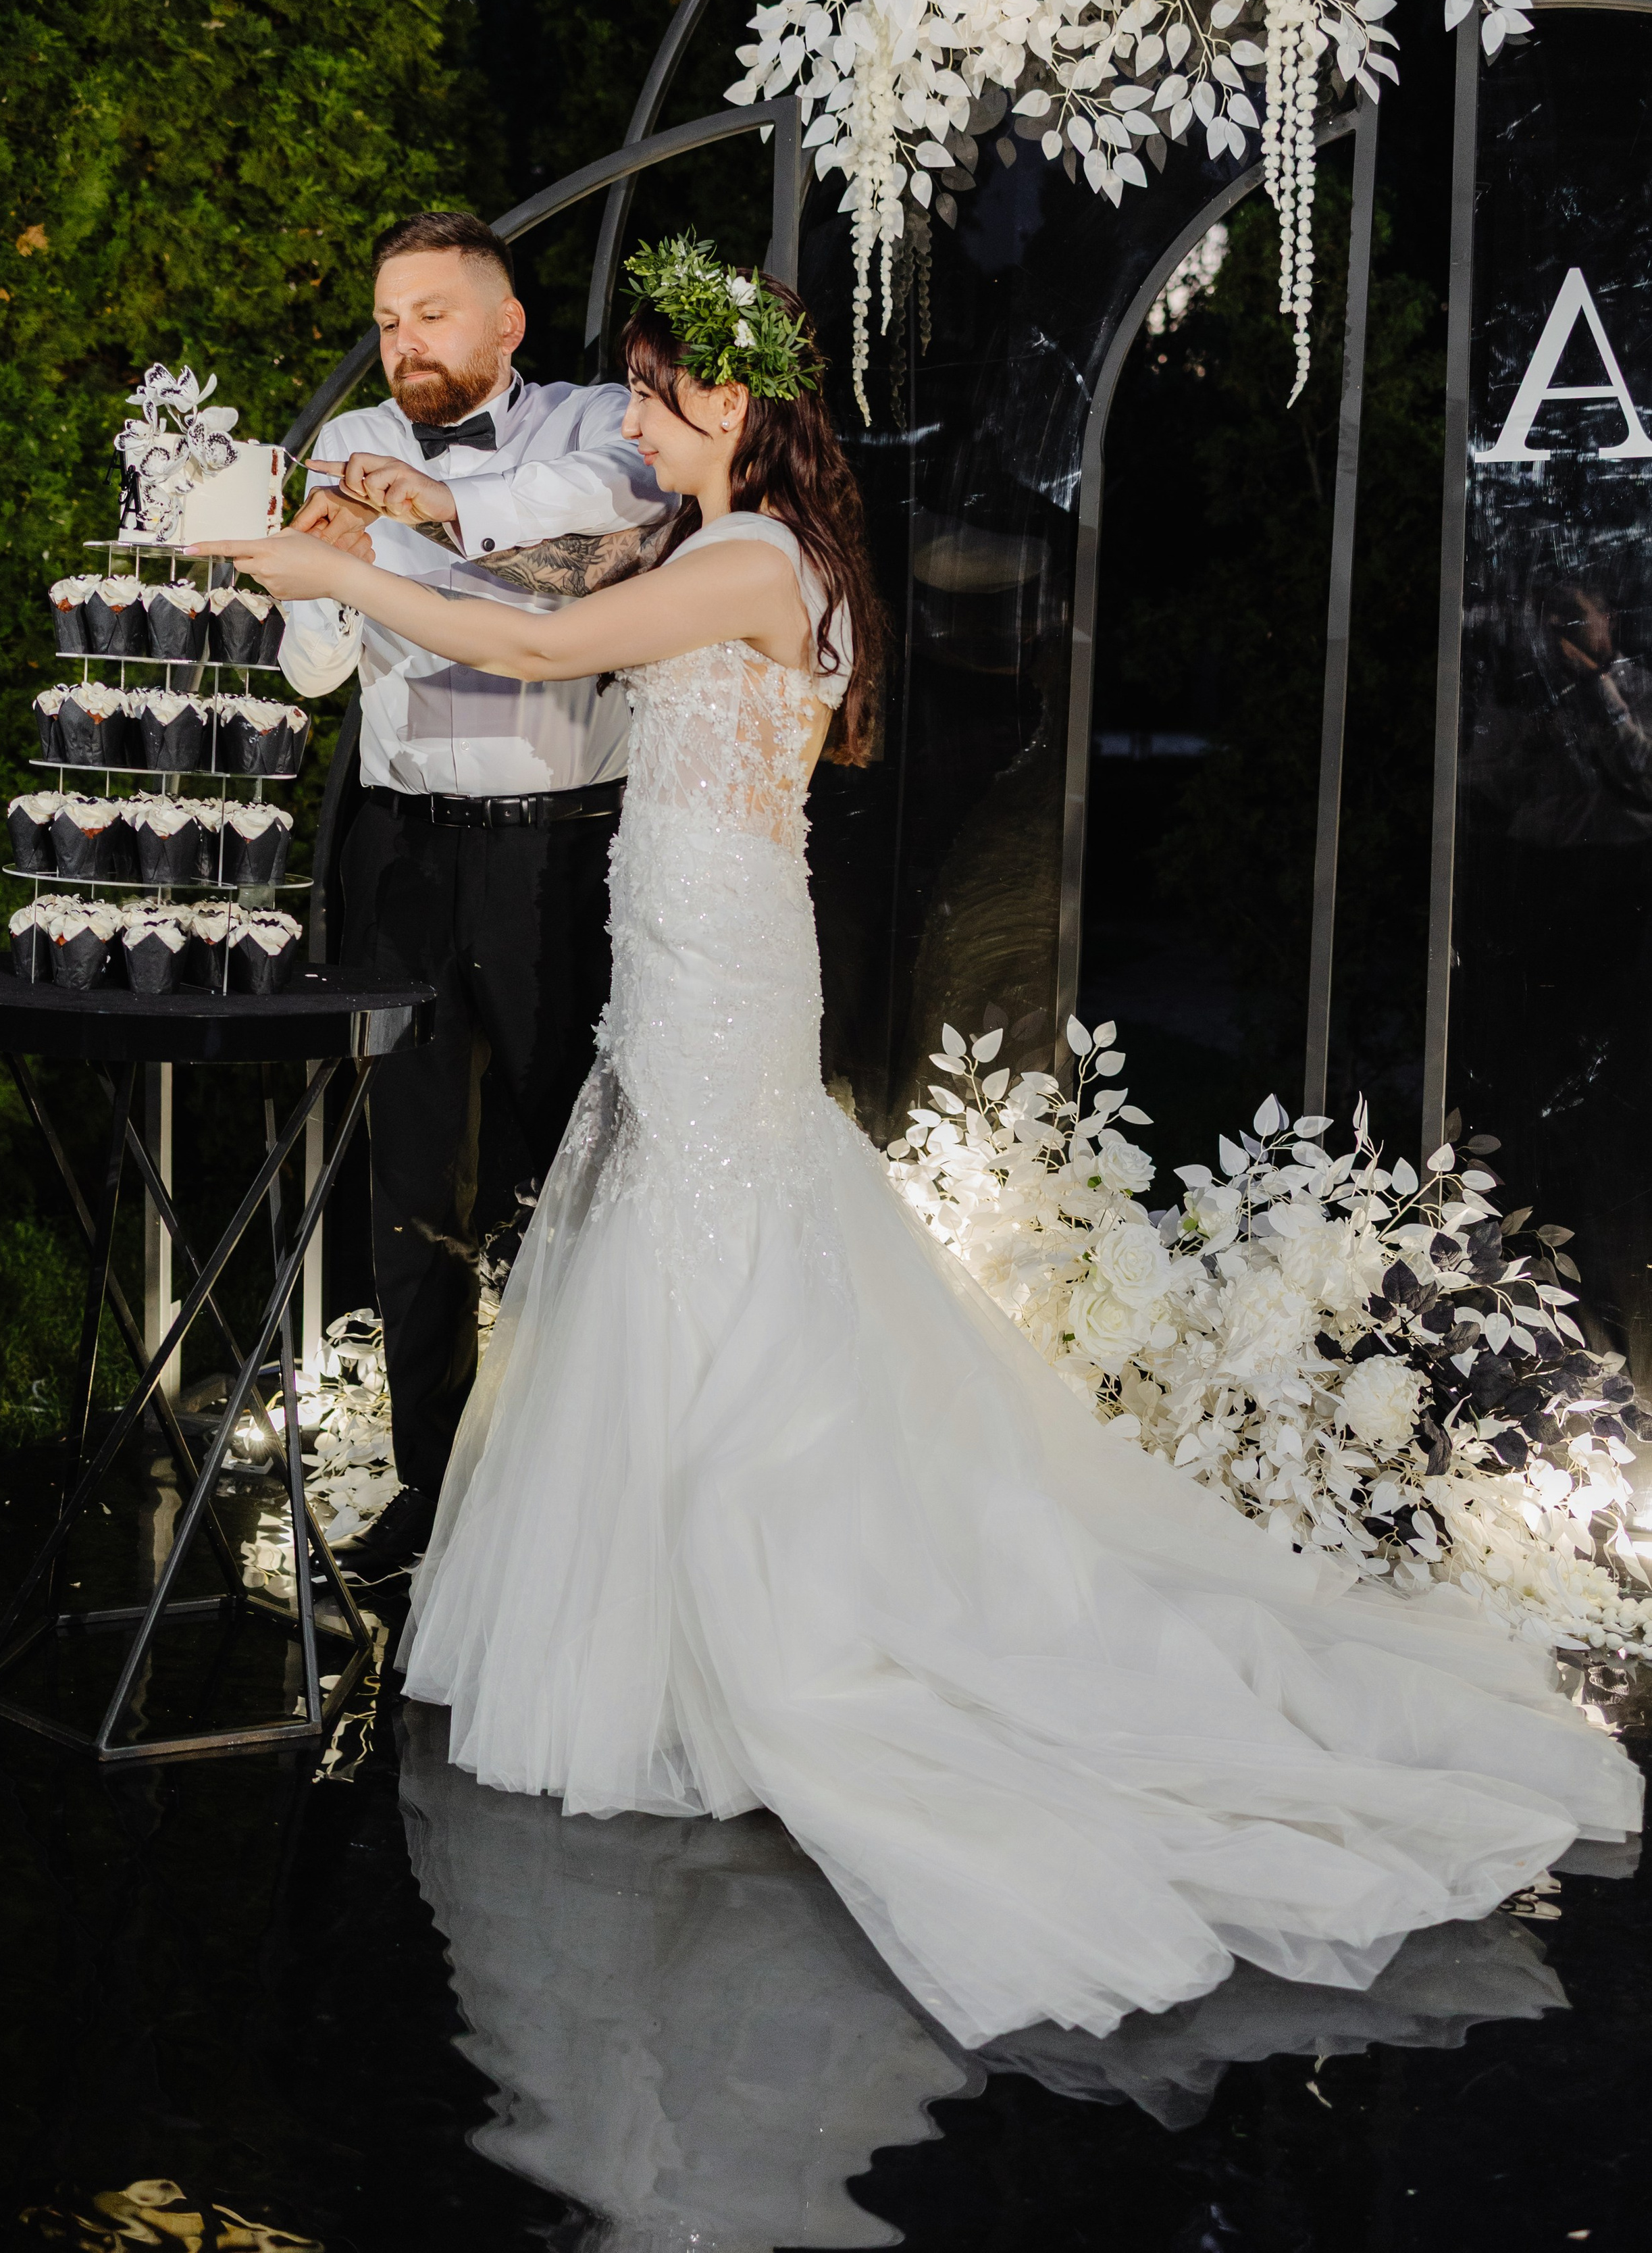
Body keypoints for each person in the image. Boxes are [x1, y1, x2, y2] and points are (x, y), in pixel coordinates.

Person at [197, 234, 1641, 2052]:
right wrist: (409, 516)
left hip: (712, 956)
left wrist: (311, 559)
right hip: (696, 941)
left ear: (722, 403)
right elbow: (541, 561)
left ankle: (755, 1620)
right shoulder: (732, 544)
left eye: (649, 387)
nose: (629, 411)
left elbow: (541, 636)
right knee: (690, 1236)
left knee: (710, 1240)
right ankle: (671, 1591)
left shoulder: (734, 557)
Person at [280, 210, 677, 1584]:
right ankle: (432, 1486)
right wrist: (325, 574)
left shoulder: (592, 423)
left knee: (573, 1160)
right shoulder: (342, 445)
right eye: (387, 321)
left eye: (430, 315)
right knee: (409, 1179)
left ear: (505, 325)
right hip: (397, 852)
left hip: (553, 847)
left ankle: (582, 1494)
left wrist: (419, 520)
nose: (403, 345)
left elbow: (597, 528)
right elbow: (314, 674)